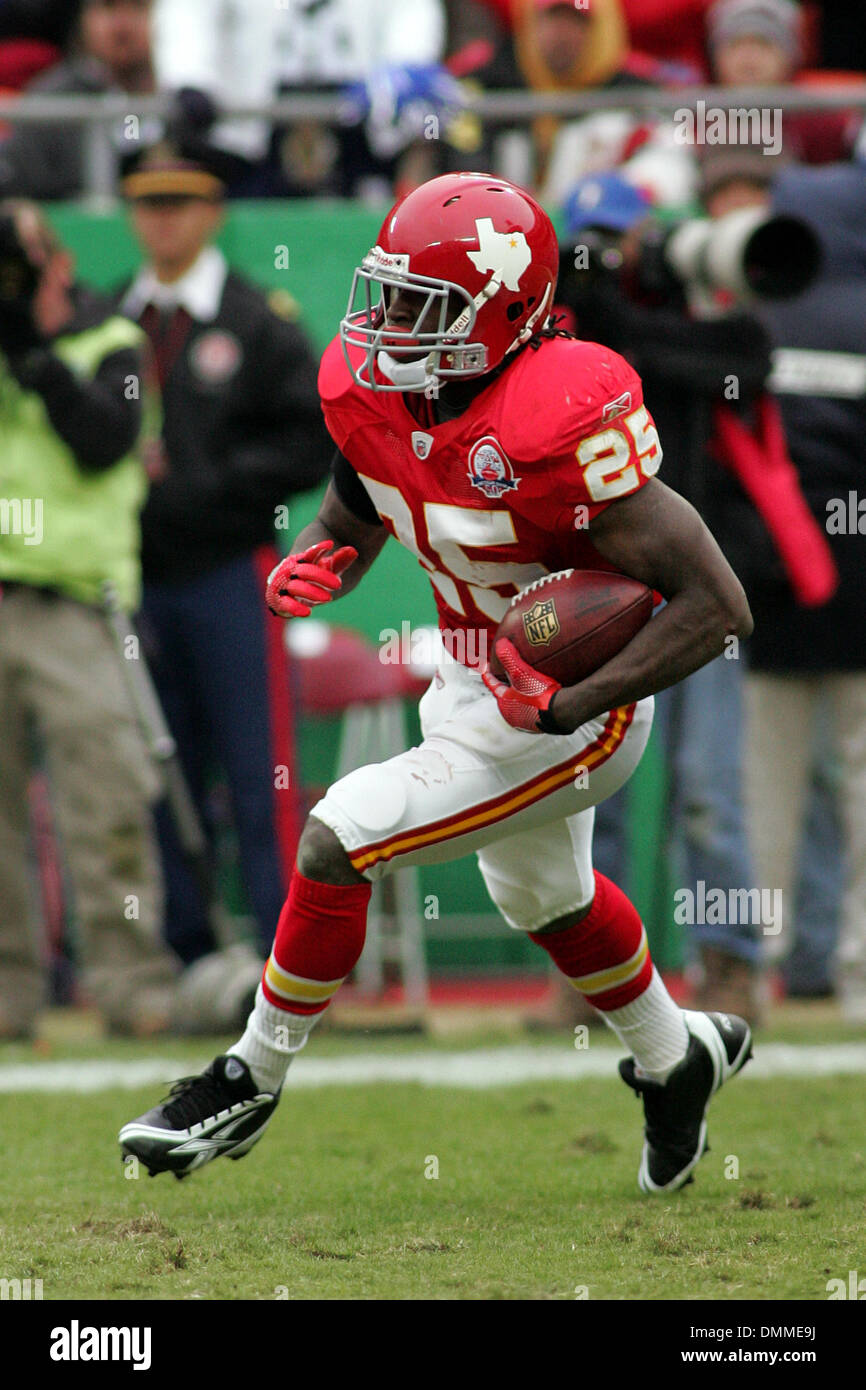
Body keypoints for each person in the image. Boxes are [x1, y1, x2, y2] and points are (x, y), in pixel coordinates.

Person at [119, 171, 754, 1196]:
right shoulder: (371, 385)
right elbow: (371, 479)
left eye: (420, 305)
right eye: (386, 295)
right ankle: (673, 1056)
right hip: (467, 681)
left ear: (502, 311)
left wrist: (573, 702)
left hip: (567, 708)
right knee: (544, 895)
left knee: (341, 833)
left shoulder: (559, 412)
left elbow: (715, 603)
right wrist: (337, 544)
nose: (387, 325)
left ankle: (247, 1075)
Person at [116, 138, 332, 968]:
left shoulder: (255, 320)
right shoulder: (114, 317)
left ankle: (292, 954)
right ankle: (191, 953)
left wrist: (200, 479)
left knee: (261, 771)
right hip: (136, 578)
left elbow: (311, 444)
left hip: (232, 573)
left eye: (180, 202)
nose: (163, 220)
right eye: (148, 203)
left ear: (213, 212)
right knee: (163, 773)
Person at [0, 198, 179, 1038]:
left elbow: (108, 439)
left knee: (104, 795)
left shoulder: (112, 340)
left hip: (77, 604)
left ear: (58, 263)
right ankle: (9, 991)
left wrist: (34, 359)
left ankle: (130, 978)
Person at [0, 0, 158, 199]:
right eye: (108, 7)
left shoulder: (178, 102)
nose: (122, 25)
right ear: (83, 17)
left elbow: (132, 139)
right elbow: (15, 184)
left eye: (138, 7)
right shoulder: (49, 102)